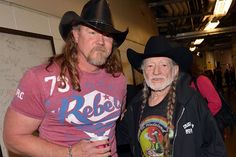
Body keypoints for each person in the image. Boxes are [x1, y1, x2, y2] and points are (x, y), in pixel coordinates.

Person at [3, 0, 128, 157]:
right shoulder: (39, 79)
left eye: (107, 35)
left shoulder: (119, 80)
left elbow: (116, 118)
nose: (101, 41)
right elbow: (13, 138)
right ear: (76, 35)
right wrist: (70, 152)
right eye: (92, 32)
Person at [117, 36, 227, 157]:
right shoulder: (135, 106)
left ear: (175, 71)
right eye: (150, 66)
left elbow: (215, 148)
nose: (156, 72)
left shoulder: (190, 101)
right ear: (143, 71)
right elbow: (117, 139)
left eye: (163, 65)